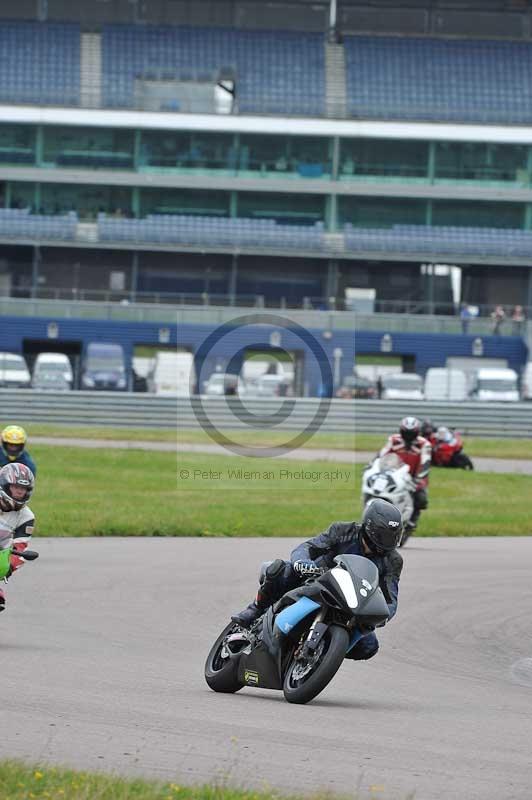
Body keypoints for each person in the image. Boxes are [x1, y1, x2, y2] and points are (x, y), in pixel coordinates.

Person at [232, 499, 403, 663]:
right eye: (384, 536)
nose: (390, 542)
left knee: (369, 646)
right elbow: (308, 547)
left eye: (394, 537)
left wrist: (380, 616)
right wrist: (303, 562)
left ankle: (323, 655)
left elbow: (390, 599)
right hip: (317, 580)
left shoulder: (393, 561)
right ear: (369, 528)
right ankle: (255, 609)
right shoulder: (343, 531)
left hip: (352, 604)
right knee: (280, 569)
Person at [379, 416, 431, 531]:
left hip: (415, 477)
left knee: (421, 499)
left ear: (417, 432)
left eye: (411, 433)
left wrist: (419, 478)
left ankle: (412, 521)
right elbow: (381, 455)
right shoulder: (393, 440)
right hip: (394, 475)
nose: (408, 436)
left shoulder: (424, 444)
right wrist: (372, 466)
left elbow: (426, 462)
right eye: (406, 432)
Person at [0, 462, 35, 613]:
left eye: (23, 489)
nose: (20, 492)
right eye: (16, 487)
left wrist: (9, 568)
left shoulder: (26, 516)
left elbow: (21, 547)